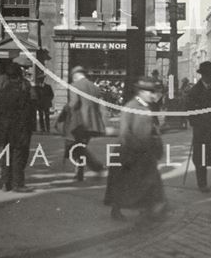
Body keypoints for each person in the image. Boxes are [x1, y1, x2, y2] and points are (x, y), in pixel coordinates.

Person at [104, 77, 166, 221]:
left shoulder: (146, 107)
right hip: (129, 152)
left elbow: (151, 129)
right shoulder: (130, 107)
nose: (152, 95)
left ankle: (147, 209)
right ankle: (116, 209)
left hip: (144, 151)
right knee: (123, 182)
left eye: (153, 92)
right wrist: (137, 149)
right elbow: (125, 133)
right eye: (149, 92)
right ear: (141, 92)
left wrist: (156, 141)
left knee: (149, 181)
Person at [0, 62, 35, 192]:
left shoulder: (1, 88)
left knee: (6, 153)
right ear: (19, 74)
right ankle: (18, 184)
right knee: (19, 154)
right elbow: (32, 106)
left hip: (4, 126)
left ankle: (5, 182)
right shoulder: (25, 87)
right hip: (20, 127)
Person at [186, 61, 211, 192]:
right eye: (209, 74)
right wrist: (197, 124)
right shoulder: (194, 91)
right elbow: (190, 112)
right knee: (201, 158)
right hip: (202, 131)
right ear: (203, 75)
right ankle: (202, 184)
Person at [67, 66, 106, 181]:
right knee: (80, 146)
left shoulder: (75, 86)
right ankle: (79, 173)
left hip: (80, 123)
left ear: (75, 76)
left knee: (75, 147)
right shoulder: (94, 87)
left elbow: (73, 104)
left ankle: (97, 167)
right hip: (93, 123)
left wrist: (66, 112)